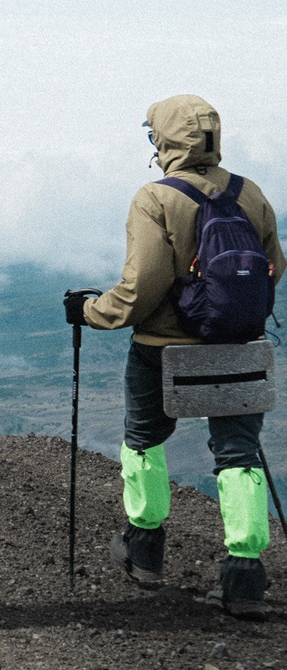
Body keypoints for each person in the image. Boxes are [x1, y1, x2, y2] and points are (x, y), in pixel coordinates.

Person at [78, 94, 283, 620]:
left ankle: (144, 551)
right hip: (239, 349)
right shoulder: (251, 194)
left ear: (163, 139)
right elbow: (273, 268)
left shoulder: (156, 197)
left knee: (143, 440)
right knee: (238, 455)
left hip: (162, 350)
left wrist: (92, 312)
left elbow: (141, 287)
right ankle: (244, 574)